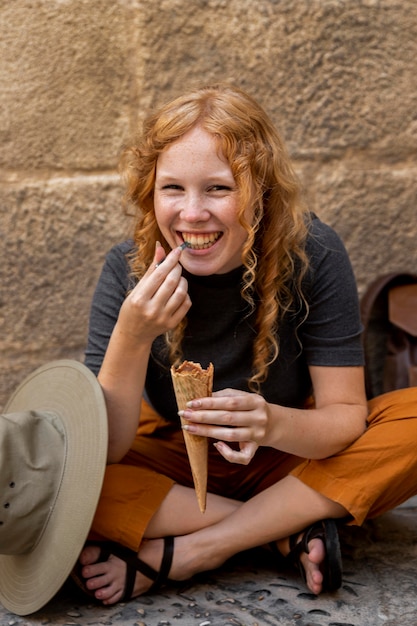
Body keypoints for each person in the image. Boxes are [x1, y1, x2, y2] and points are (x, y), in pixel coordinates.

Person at [77, 83, 417, 606]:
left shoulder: (314, 253)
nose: (191, 214)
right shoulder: (127, 267)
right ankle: (284, 530)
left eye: (218, 188)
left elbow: (346, 417)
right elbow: (108, 449)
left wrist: (273, 423)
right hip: (174, 457)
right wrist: (132, 334)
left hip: (289, 455)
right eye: (172, 188)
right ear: (150, 192)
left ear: (261, 189)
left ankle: (199, 549)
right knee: (62, 477)